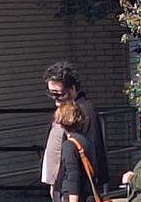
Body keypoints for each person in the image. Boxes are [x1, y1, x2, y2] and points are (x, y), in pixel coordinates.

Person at [43, 62, 108, 192]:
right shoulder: (65, 109)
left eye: (60, 94)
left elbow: (91, 152)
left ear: (72, 89)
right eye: (52, 94)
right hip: (62, 183)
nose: (56, 100)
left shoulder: (83, 111)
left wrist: (75, 191)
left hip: (75, 187)